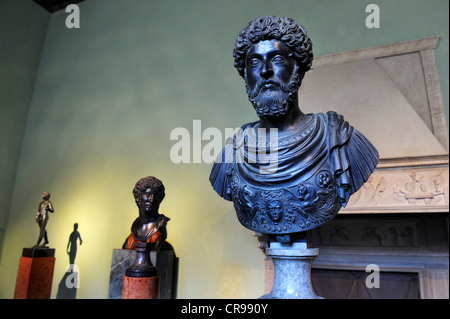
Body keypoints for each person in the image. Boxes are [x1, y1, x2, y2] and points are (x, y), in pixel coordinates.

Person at [210, 16, 379, 235]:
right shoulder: (232, 152)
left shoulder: (341, 139)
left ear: (297, 68)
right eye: (254, 63)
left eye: (277, 59)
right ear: (246, 78)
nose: (265, 71)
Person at [123, 176, 170, 251]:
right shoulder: (132, 236)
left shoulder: (157, 234)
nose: (151, 199)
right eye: (147, 194)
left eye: (156, 195)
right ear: (138, 197)